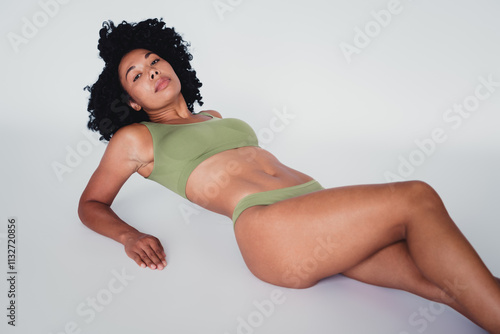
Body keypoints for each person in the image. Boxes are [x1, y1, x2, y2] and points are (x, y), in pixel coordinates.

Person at [78, 18, 500, 332]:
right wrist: (129, 236)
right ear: (131, 101)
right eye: (136, 75)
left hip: (315, 215)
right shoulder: (138, 139)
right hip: (271, 226)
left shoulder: (216, 116)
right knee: (415, 197)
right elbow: (91, 203)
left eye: (154, 60)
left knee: (449, 284)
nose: (151, 70)